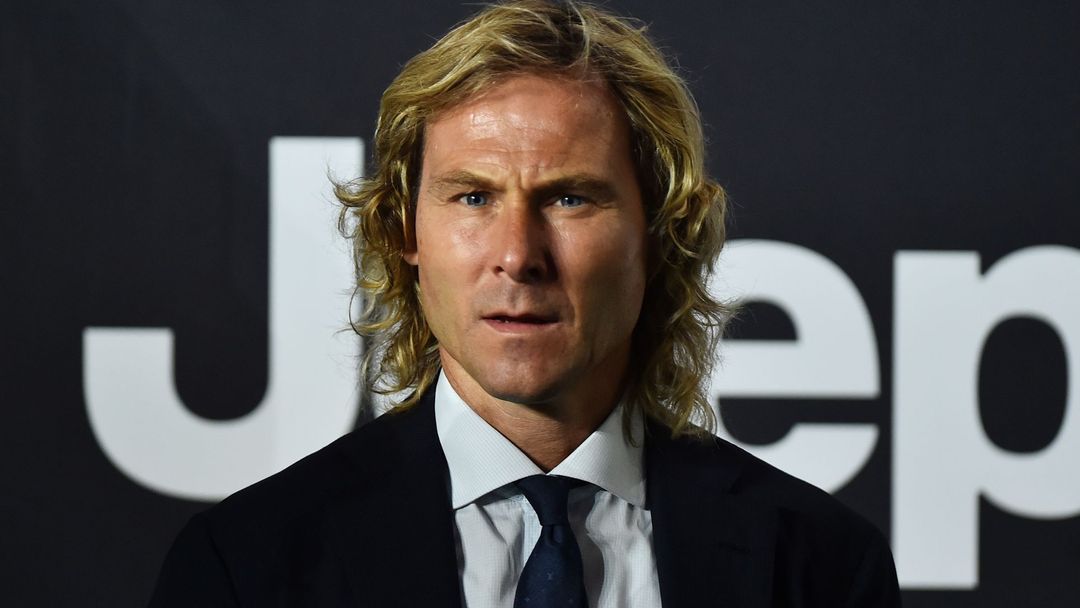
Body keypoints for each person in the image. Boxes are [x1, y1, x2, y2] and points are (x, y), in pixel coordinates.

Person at [149, 1, 901, 606]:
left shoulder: (821, 568)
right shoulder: (245, 568)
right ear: (405, 232)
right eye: (473, 197)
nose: (517, 253)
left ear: (660, 234)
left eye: (569, 197)